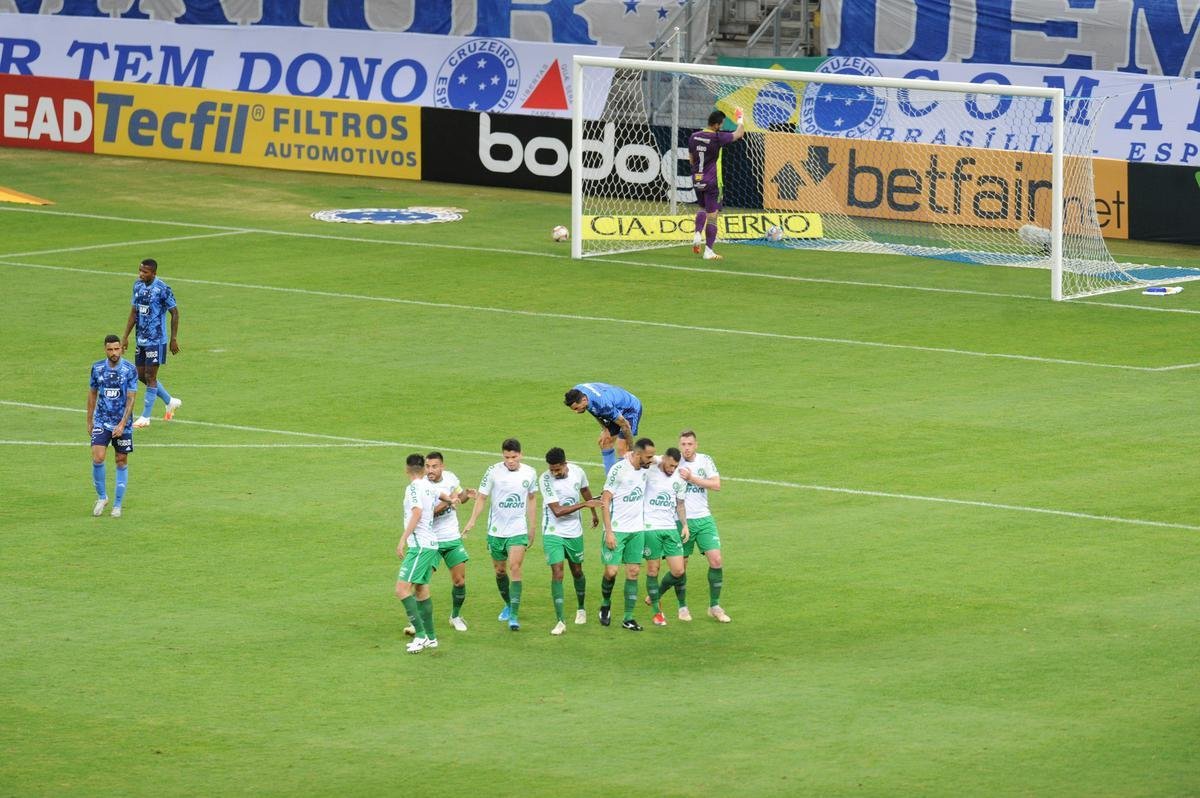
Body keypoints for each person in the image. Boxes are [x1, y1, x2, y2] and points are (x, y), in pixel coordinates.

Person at [463, 438, 537, 631]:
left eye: (514, 457)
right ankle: (508, 604)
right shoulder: (493, 471)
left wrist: (532, 526)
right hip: (496, 530)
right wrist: (472, 520)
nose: (510, 461)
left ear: (521, 454)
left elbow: (531, 498)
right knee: (500, 571)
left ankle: (514, 616)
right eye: (507, 457)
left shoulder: (530, 472)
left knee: (515, 567)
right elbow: (481, 498)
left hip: (518, 529)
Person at [539, 447, 600, 636]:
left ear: (565, 464)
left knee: (577, 571)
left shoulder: (578, 471)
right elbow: (557, 511)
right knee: (557, 572)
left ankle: (581, 608)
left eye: (557, 469)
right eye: (552, 469)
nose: (554, 473)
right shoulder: (545, 479)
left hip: (574, 531)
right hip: (553, 531)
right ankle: (560, 621)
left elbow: (585, 490)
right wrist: (585, 505)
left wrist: (593, 512)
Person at [598, 437, 656, 631]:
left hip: (637, 530)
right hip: (616, 530)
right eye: (649, 457)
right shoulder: (618, 470)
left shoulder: (646, 467)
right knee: (611, 572)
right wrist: (609, 532)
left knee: (633, 572)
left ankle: (628, 618)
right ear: (637, 455)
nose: (651, 460)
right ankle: (605, 604)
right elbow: (605, 500)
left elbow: (664, 460)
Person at [676, 430, 730, 623]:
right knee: (681, 567)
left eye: (690, 444)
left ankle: (714, 606)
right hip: (682, 521)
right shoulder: (674, 461)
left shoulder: (705, 460)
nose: (686, 448)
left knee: (716, 560)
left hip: (704, 518)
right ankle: (682, 607)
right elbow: (651, 460)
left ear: (696, 445)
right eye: (683, 444)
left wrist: (692, 478)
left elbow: (716, 485)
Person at [121, 258, 181, 429]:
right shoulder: (137, 286)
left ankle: (145, 417)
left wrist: (173, 339)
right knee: (140, 375)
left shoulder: (162, 289)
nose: (141, 274)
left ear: (154, 273)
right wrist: (125, 336)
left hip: (157, 340)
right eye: (140, 270)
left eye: (145, 272)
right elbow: (134, 312)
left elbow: (175, 313)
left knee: (150, 376)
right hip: (141, 339)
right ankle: (170, 401)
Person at [87, 334, 138, 517]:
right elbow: (92, 393)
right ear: (105, 350)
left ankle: (117, 504)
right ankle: (102, 497)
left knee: (121, 460)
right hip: (101, 420)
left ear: (121, 349)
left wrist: (122, 424)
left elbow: (131, 398)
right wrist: (89, 420)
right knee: (98, 457)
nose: (114, 352)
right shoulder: (97, 368)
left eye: (117, 349)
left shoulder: (130, 370)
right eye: (110, 349)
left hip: (123, 423)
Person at [396, 453, 440, 653]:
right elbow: (442, 496)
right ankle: (431, 638)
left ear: (407, 469)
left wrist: (403, 539)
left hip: (420, 545)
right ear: (423, 469)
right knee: (421, 590)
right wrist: (452, 498)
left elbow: (417, 511)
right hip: (430, 544)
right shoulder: (429, 486)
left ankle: (420, 636)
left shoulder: (413, 487)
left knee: (402, 589)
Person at [688, 107, 745, 261]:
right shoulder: (717, 138)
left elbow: (691, 159)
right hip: (712, 181)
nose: (722, 126)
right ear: (716, 125)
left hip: (697, 179)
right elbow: (739, 133)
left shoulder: (693, 136)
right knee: (712, 217)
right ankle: (708, 251)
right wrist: (740, 117)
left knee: (701, 208)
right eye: (721, 124)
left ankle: (697, 233)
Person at [425, 452, 473, 632]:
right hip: (431, 541)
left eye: (434, 466)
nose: (430, 470)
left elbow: (459, 497)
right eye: (427, 466)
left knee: (459, 581)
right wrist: (448, 502)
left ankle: (455, 616)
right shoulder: (422, 486)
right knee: (422, 582)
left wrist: (466, 494)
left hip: (452, 538)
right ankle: (416, 621)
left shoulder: (451, 477)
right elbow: (426, 514)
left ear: (442, 467)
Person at [641, 447, 690, 627]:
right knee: (653, 570)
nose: (672, 469)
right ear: (664, 459)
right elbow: (642, 457)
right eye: (670, 465)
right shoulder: (651, 469)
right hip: (650, 527)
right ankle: (657, 612)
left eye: (675, 466)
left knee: (679, 570)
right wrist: (656, 459)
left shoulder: (679, 478)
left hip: (670, 528)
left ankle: (655, 594)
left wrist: (685, 525)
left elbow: (680, 504)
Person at [563, 382, 643, 473]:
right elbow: (593, 410)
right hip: (613, 405)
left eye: (576, 408)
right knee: (604, 442)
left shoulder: (603, 406)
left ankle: (626, 478)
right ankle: (610, 478)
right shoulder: (577, 391)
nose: (576, 412)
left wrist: (631, 449)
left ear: (584, 399)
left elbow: (625, 425)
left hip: (630, 408)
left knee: (622, 447)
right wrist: (605, 429)